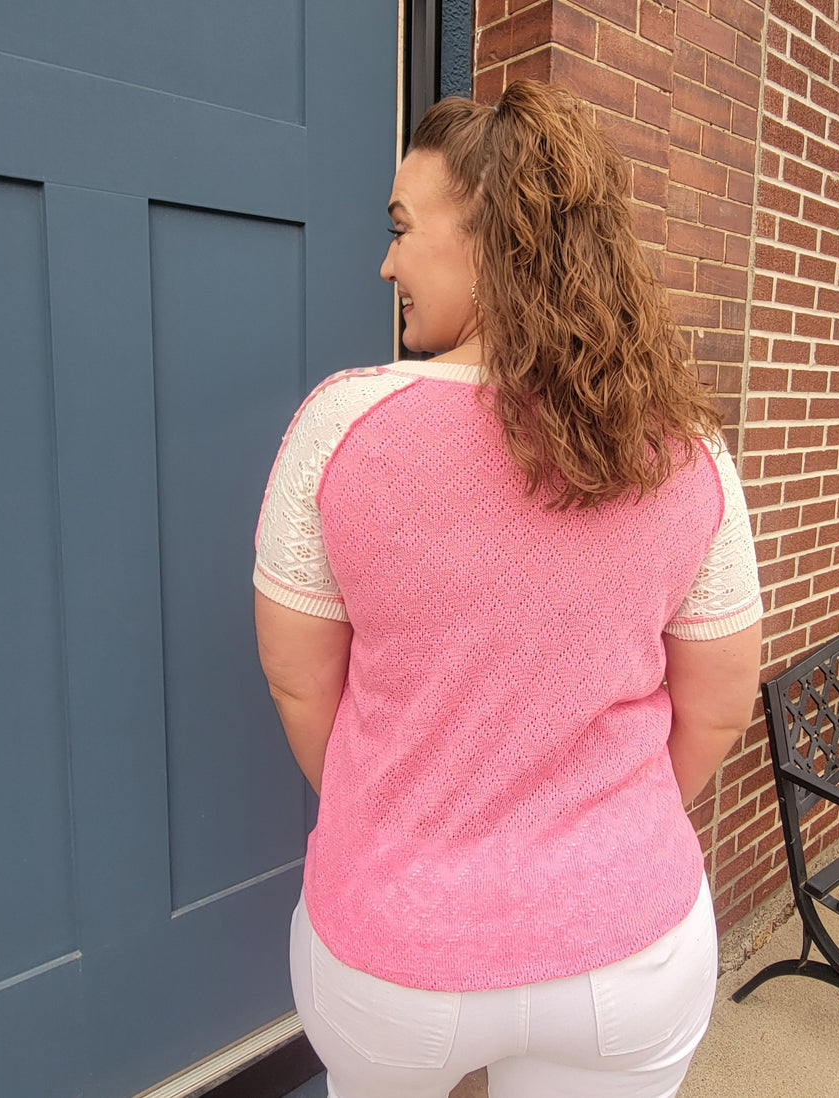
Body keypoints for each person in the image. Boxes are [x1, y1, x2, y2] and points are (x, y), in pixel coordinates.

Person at [253, 80, 762, 1098]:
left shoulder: (340, 426)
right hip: (627, 955)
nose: (385, 261)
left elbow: (303, 689)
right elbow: (714, 711)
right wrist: (592, 842)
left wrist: (405, 821)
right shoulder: (688, 450)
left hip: (393, 955)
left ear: (494, 235)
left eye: (403, 228)